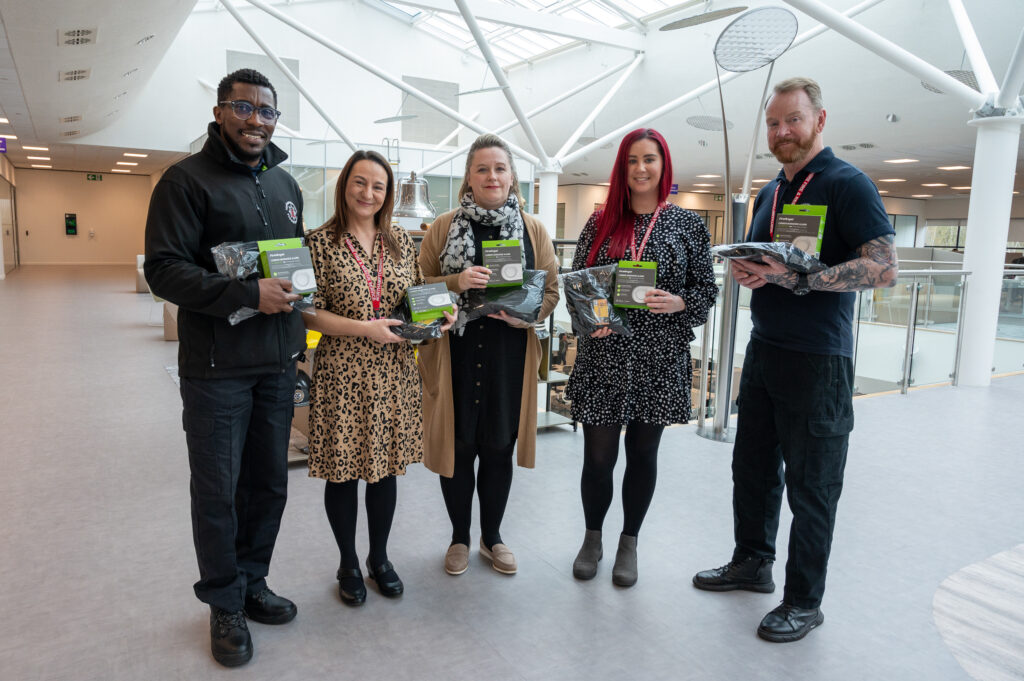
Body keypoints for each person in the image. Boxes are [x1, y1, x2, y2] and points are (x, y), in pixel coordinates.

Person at [692, 77, 898, 642]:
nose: (783, 132)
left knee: (813, 486)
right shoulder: (770, 193)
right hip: (765, 351)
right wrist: (753, 270)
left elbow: (883, 268)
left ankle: (804, 600)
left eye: (793, 120)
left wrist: (800, 280)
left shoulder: (847, 184)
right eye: (774, 123)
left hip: (818, 361)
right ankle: (752, 562)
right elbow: (772, 265)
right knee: (752, 469)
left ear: (819, 120)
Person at [144, 69, 304, 667]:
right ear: (219, 112)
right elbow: (164, 269)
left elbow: (294, 266)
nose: (256, 119)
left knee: (268, 483)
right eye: (244, 107)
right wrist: (246, 295)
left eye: (267, 111)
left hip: (277, 364)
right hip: (217, 370)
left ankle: (253, 581)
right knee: (218, 491)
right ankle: (224, 603)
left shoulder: (285, 183)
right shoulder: (185, 182)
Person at [565, 128, 718, 587]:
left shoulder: (687, 225)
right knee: (597, 459)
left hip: (658, 355)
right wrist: (596, 319)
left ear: (663, 165)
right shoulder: (601, 221)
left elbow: (706, 290)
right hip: (605, 353)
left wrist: (679, 303)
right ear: (622, 168)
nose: (641, 169)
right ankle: (593, 538)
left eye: (649, 159)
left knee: (643, 455)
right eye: (632, 160)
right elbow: (579, 283)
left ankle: (629, 542)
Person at [302, 151, 455, 606]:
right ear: (344, 185)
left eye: (378, 186)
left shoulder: (402, 243)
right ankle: (348, 561)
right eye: (359, 183)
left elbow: (414, 301)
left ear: (388, 195)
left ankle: (379, 558)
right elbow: (306, 311)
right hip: (343, 372)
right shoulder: (318, 242)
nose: (368, 193)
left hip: (393, 373)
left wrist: (437, 317)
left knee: (385, 472)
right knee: (343, 473)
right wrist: (363, 328)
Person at [418, 133, 559, 576]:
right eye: (482, 168)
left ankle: (491, 537)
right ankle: (459, 537)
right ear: (469, 177)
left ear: (512, 176)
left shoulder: (533, 230)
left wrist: (526, 317)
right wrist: (457, 282)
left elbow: (551, 291)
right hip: (454, 353)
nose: (492, 176)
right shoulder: (443, 227)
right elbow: (417, 292)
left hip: (508, 355)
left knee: (499, 448)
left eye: (499, 168)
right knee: (457, 450)